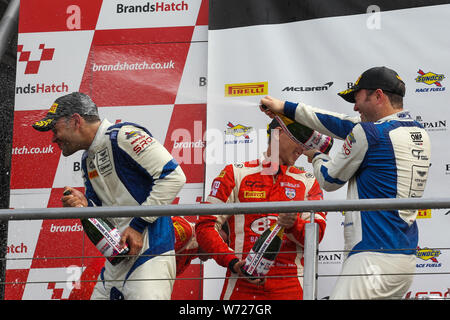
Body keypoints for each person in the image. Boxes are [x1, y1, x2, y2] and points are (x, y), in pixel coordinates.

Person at [260, 66, 431, 299]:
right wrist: (284, 108)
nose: (355, 106)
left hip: (371, 258)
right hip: (404, 260)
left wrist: (317, 155)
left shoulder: (369, 134)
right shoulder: (416, 131)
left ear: (378, 95)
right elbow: (340, 123)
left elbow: (329, 180)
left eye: (357, 98)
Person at [32, 92, 186, 300]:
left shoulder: (123, 135)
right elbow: (104, 214)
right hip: (117, 260)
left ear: (76, 120)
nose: (53, 138)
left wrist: (138, 225)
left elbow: (174, 176)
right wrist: (84, 206)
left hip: (150, 256)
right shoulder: (88, 159)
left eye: (55, 128)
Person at [195, 118, 327, 300]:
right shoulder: (236, 173)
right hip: (241, 284)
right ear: (279, 133)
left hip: (290, 286)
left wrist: (293, 224)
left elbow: (316, 236)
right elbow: (205, 226)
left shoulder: (309, 181)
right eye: (300, 140)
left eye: (306, 144)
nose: (303, 149)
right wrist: (232, 262)